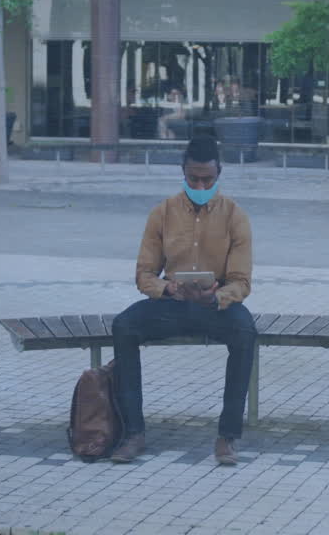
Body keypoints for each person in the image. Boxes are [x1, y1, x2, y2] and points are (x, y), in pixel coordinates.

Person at [110, 136, 256, 466]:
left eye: (207, 179)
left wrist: (217, 296)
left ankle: (227, 436)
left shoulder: (235, 216)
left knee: (245, 331)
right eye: (193, 178)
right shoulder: (162, 213)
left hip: (214, 306)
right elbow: (144, 274)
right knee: (124, 326)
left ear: (219, 173)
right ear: (183, 173)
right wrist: (168, 289)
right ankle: (133, 432)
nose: (200, 185)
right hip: (172, 305)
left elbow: (242, 281)